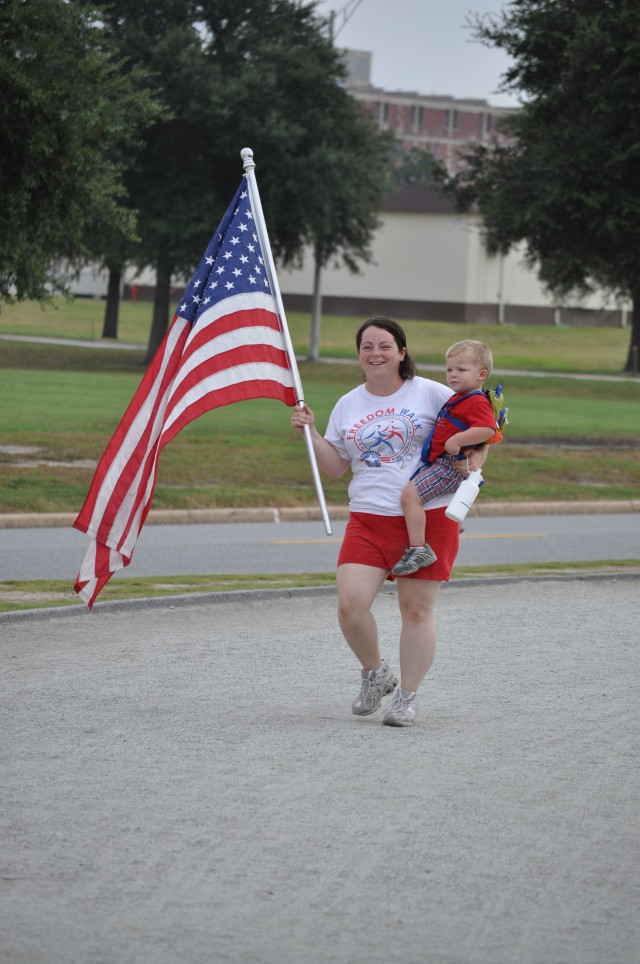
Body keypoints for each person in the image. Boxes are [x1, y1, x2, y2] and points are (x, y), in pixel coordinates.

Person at [290, 316, 487, 728]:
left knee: (416, 611)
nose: (375, 353)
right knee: (350, 605)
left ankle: (407, 698)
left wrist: (470, 463)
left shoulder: (433, 393)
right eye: (367, 346)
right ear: (359, 354)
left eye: (384, 345)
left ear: (402, 352)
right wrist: (311, 434)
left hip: (429, 518)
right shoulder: (348, 404)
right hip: (368, 517)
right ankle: (375, 673)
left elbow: (482, 429)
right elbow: (336, 468)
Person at [392, 339, 496, 577]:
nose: (453, 375)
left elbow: (488, 430)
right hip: (441, 461)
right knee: (415, 494)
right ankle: (450, 529)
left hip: (450, 464)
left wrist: (458, 440)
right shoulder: (459, 397)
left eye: (461, 370)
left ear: (482, 374)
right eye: (449, 369)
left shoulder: (477, 401)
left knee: (410, 498)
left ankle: (419, 549)